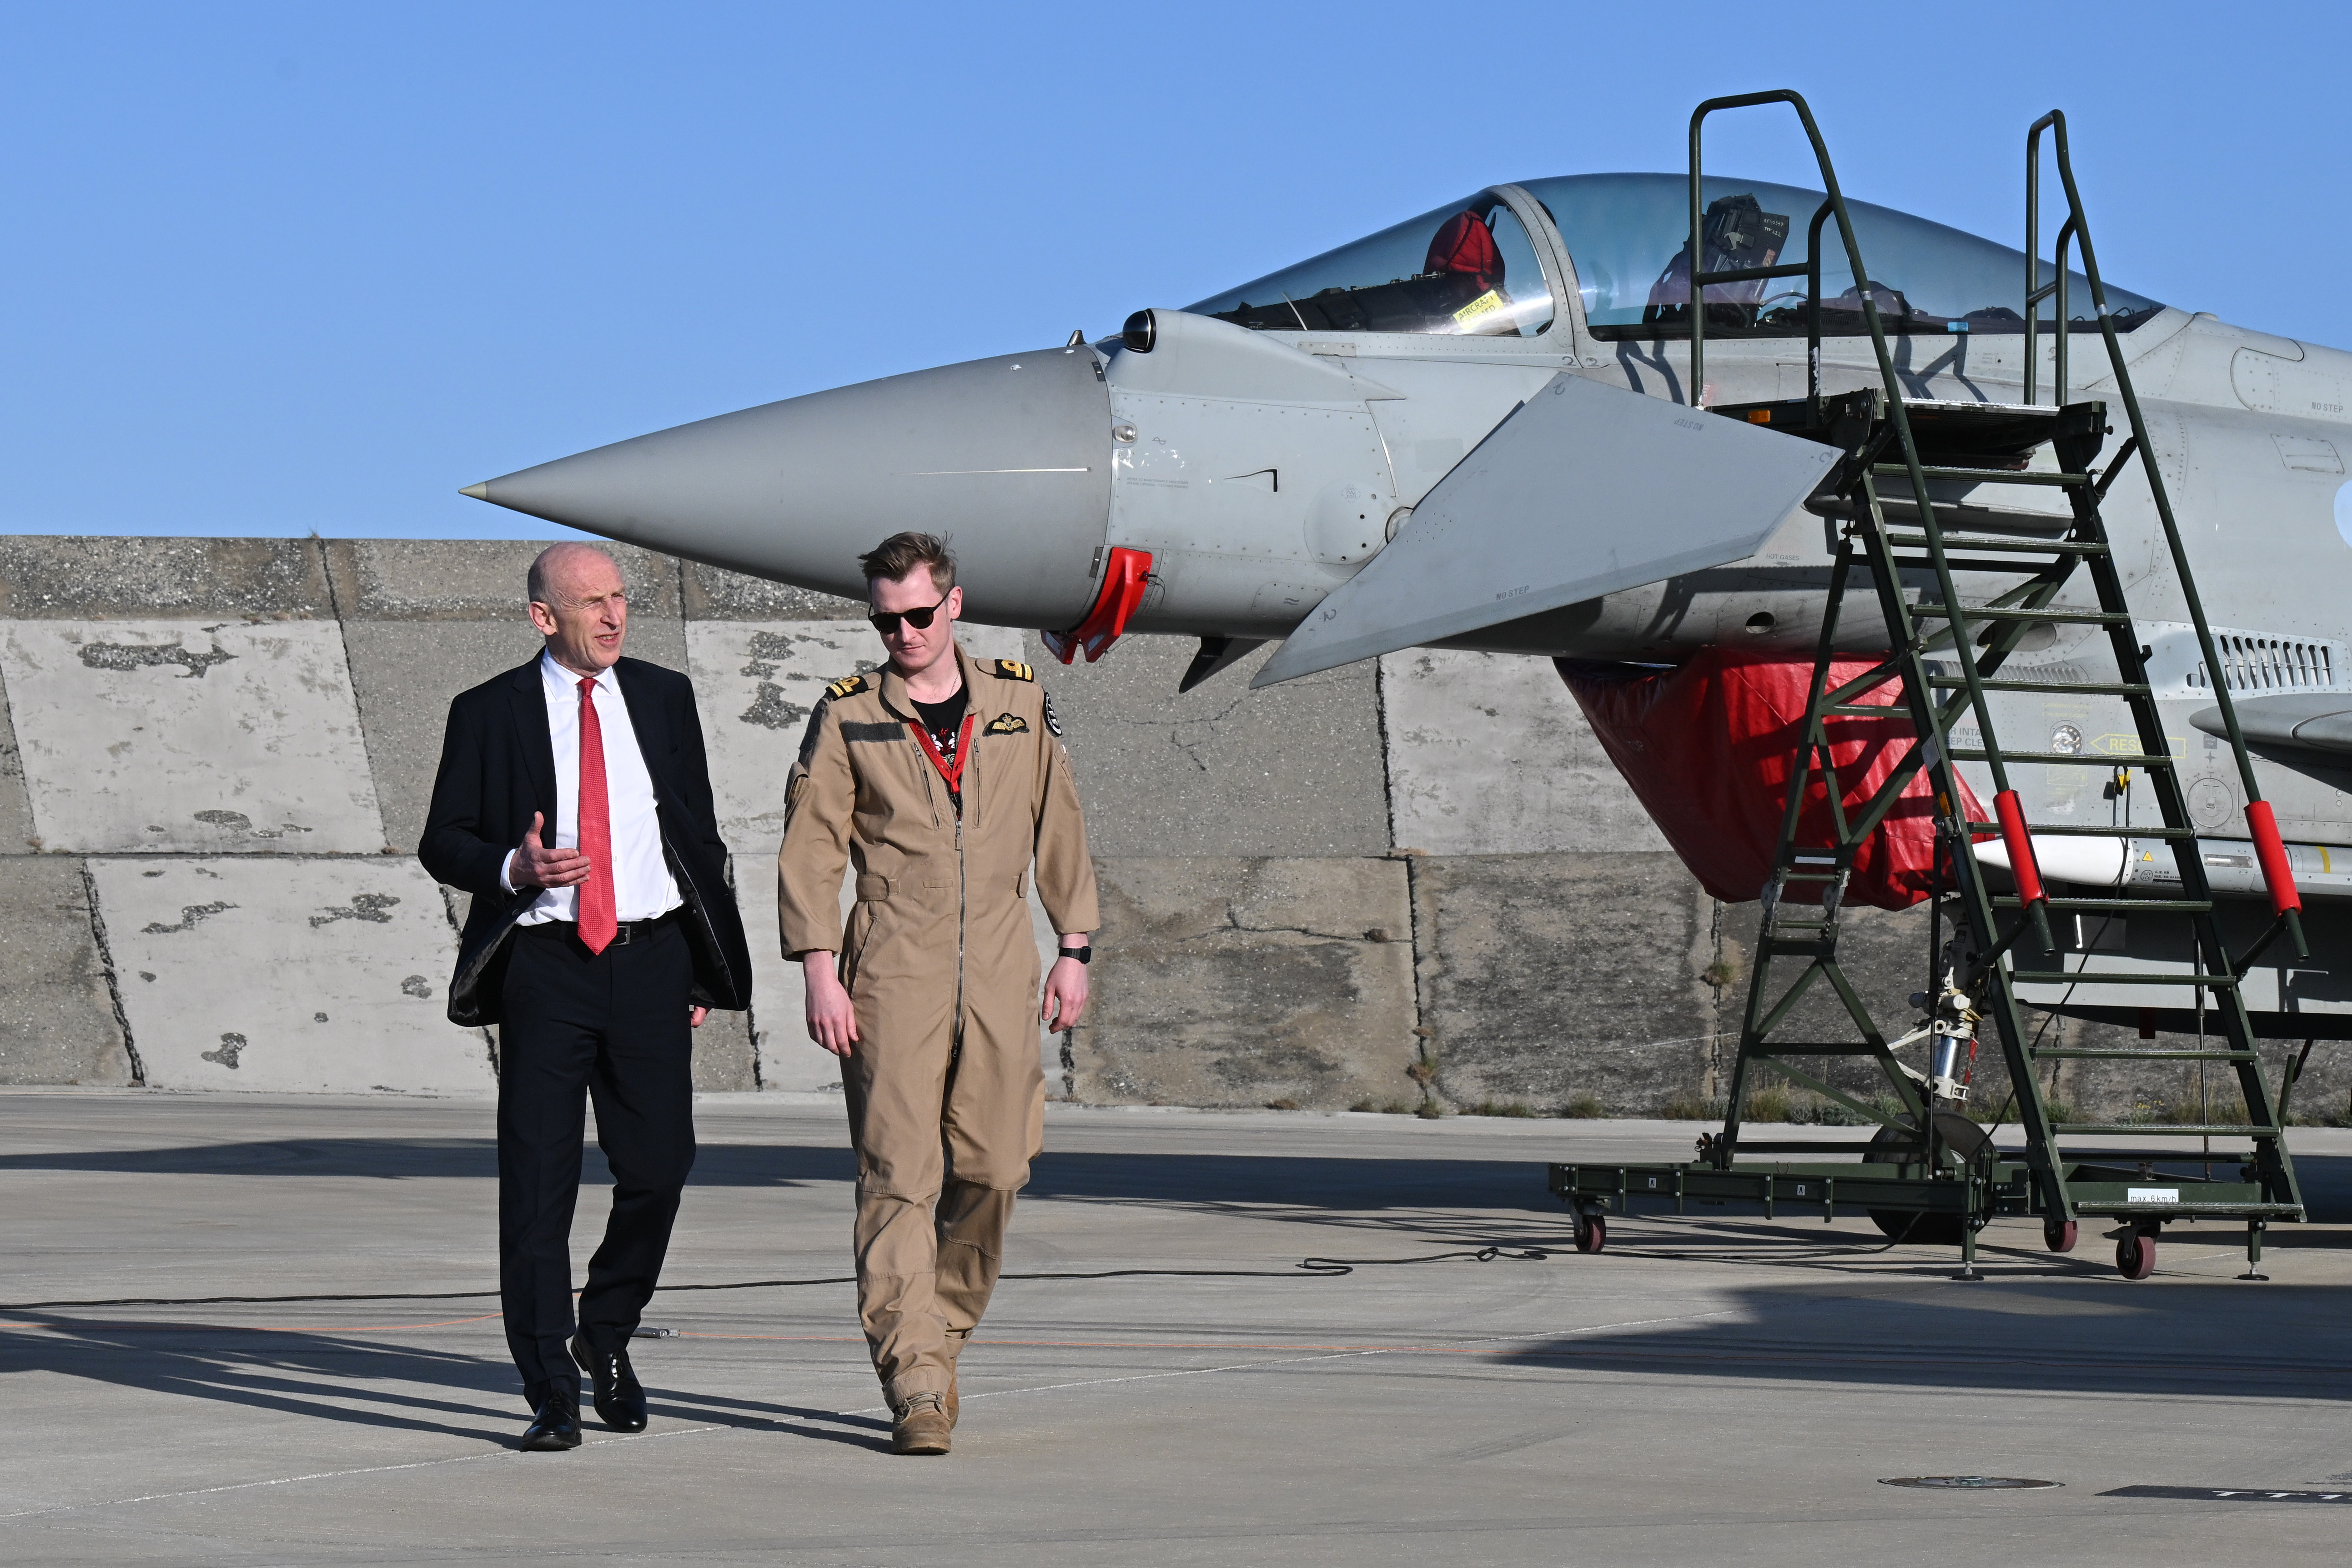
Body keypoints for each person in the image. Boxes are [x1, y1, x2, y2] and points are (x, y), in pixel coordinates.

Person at [420, 542, 752, 1452]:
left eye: (619, 598)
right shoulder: (488, 713)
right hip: (546, 968)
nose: (613, 616)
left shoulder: (664, 697)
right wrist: (510, 865)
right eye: (591, 602)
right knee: (537, 1187)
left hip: (648, 963)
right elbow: (441, 839)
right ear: (543, 616)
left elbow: (697, 835)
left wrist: (694, 962)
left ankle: (603, 1334)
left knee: (660, 1165)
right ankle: (550, 1389)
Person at [777, 531, 1097, 1457]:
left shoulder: (1017, 699)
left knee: (998, 1167)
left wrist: (1073, 944)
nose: (904, 633)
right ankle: (914, 1377)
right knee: (898, 1177)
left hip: (1001, 964)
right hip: (891, 969)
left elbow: (1060, 823)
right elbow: (811, 849)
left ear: (953, 604)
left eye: (919, 614)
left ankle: (940, 1330)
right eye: (887, 620)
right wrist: (820, 968)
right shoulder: (847, 716)